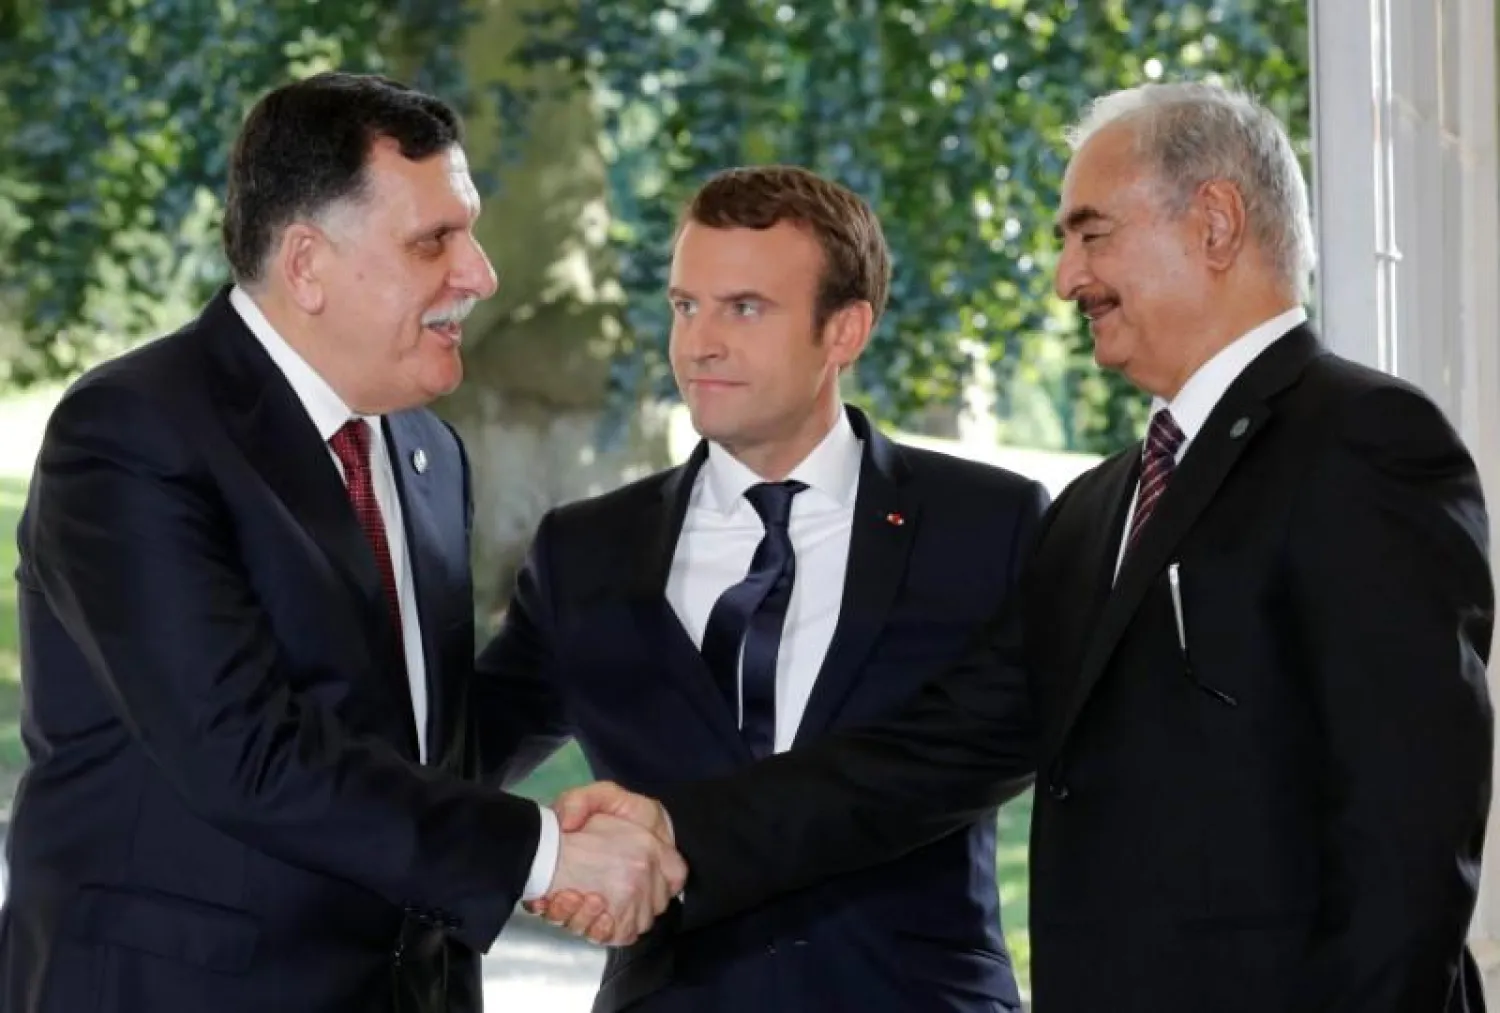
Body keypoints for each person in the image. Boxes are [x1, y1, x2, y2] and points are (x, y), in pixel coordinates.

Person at [543, 82, 1495, 1013]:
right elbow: (938, 751)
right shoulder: (1096, 506)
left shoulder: (1362, 440)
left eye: (1092, 233)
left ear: (1213, 223)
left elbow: (1408, 834)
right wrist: (676, 825)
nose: (1066, 278)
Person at [2, 71, 681, 1013]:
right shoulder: (131, 432)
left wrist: (587, 626)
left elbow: (406, 751)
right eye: (433, 240)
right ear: (308, 263)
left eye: (469, 230)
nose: (479, 273)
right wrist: (543, 853)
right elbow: (246, 752)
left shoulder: (424, 449)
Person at [471, 164, 1048, 1013]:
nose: (698, 342)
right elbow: (451, 756)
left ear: (844, 330)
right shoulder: (586, 551)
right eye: (683, 305)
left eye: (744, 308)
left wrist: (673, 831)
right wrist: (551, 854)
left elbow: (967, 753)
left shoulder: (986, 527)